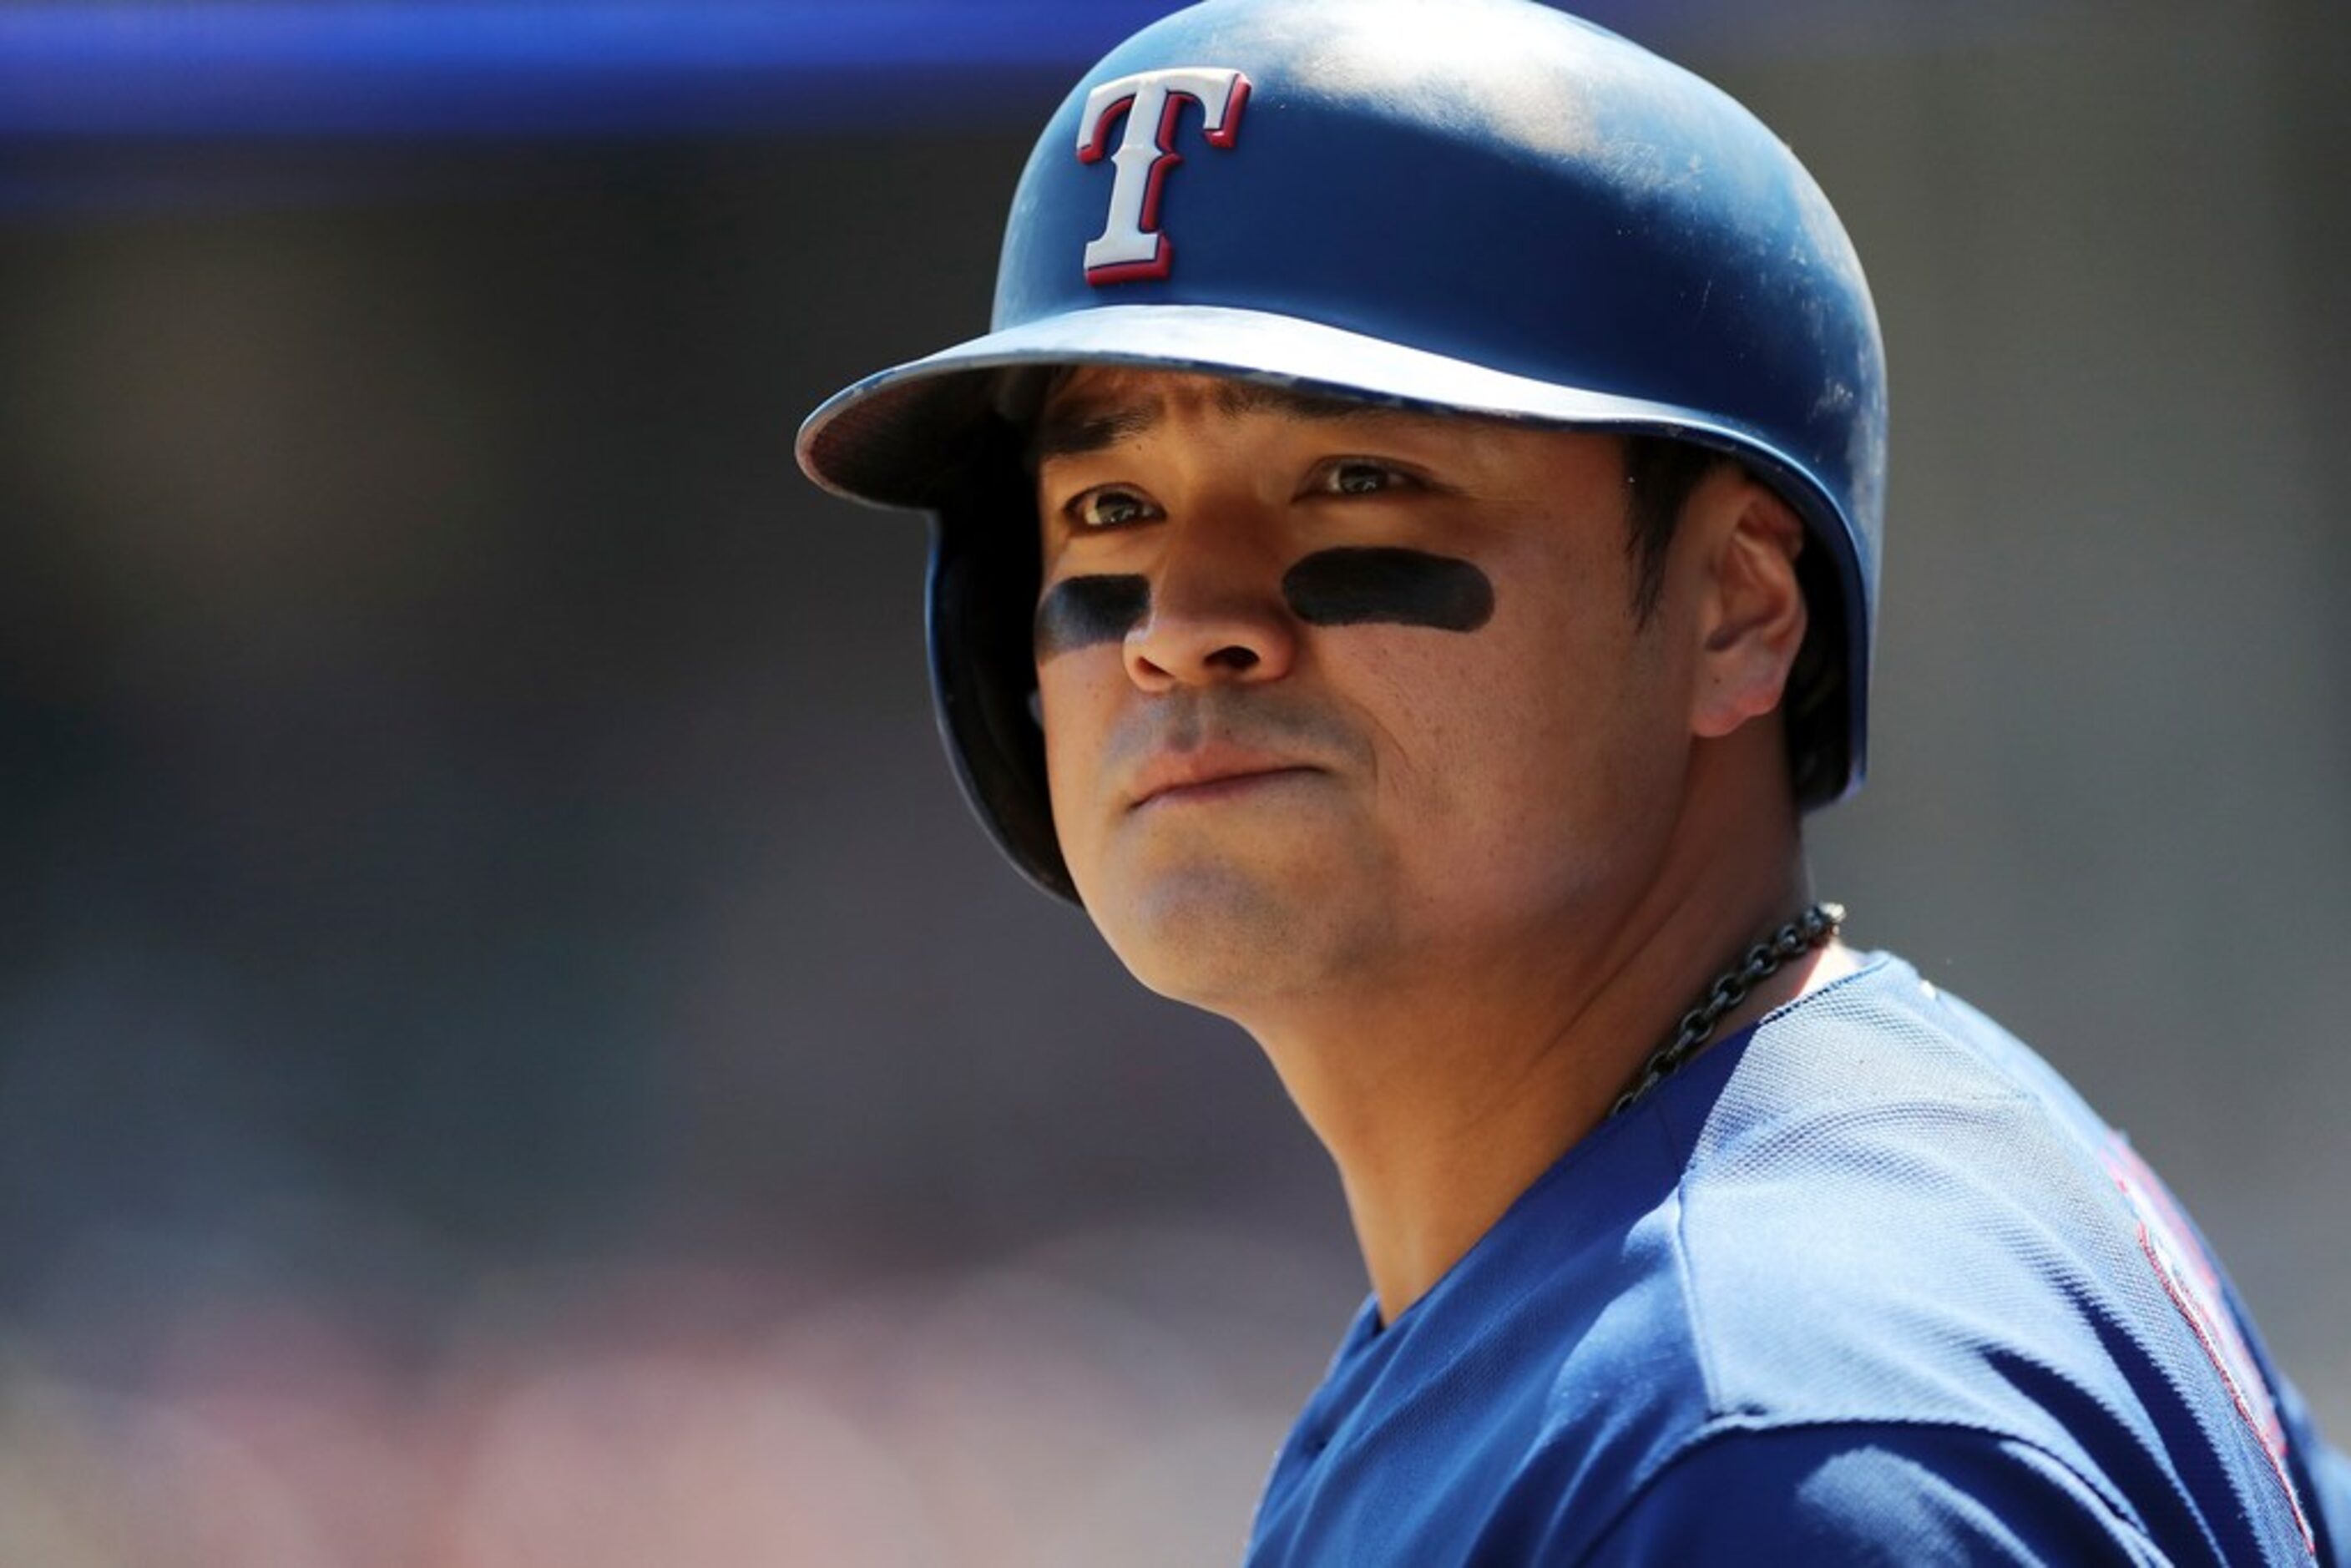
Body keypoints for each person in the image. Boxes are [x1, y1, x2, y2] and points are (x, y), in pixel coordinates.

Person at [796, 0, 2350, 1560]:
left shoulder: (1767, 1435)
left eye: (1356, 480)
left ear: (1735, 602)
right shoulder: (1751, 1227)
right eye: (1114, 506)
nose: (1187, 626)